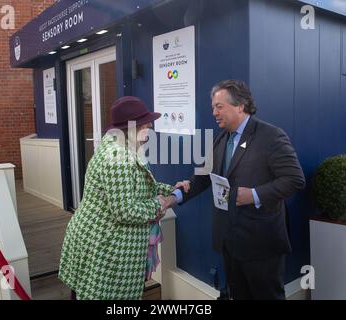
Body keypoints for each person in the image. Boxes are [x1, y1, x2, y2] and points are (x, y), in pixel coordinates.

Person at [163, 80, 305, 300]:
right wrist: (176, 196)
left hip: (261, 242)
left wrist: (255, 195)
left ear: (240, 105)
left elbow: (295, 179)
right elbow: (203, 177)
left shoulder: (271, 136)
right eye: (213, 107)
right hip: (230, 240)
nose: (214, 112)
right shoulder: (221, 138)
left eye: (219, 106)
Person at [58, 96, 174, 300]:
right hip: (104, 246)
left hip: (102, 241)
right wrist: (158, 204)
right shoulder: (117, 157)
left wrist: (169, 189)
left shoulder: (126, 148)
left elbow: (140, 185)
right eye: (145, 121)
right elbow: (125, 211)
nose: (150, 125)